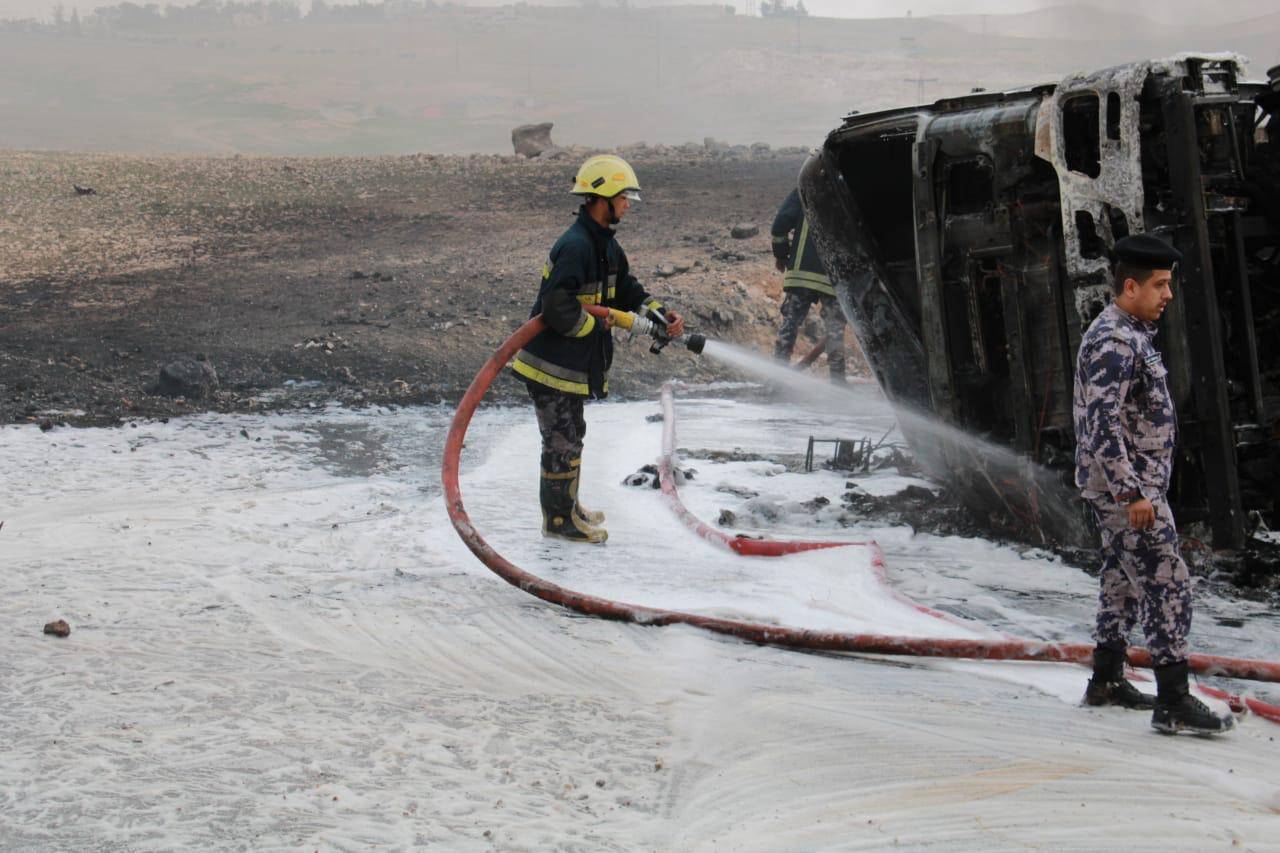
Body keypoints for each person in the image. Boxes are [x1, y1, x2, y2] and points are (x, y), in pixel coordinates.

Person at [1072, 233, 1233, 735]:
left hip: (1131, 488)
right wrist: (1133, 493)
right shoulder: (1116, 342)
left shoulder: (1130, 333)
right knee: (1169, 584)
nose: (1168, 295)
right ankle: (1174, 701)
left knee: (1121, 583)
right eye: (1160, 285)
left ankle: (1105, 679)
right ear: (1129, 286)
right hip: (1128, 492)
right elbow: (1103, 424)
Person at [512, 154, 684, 544]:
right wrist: (597, 323)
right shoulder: (576, 246)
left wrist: (656, 314)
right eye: (624, 197)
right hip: (549, 367)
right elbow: (556, 305)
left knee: (574, 436)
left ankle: (568, 507)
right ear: (602, 197)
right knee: (560, 442)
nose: (628, 204)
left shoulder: (605, 245)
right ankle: (557, 522)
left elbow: (626, 289)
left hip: (571, 367)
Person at [770, 187, 847, 382]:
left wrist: (781, 255)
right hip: (833, 276)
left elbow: (779, 225)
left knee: (791, 323)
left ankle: (777, 379)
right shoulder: (847, 191)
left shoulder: (806, 186)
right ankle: (838, 384)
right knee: (835, 328)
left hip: (802, 273)